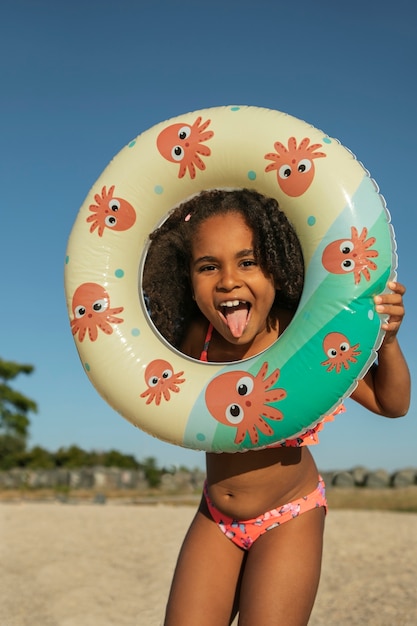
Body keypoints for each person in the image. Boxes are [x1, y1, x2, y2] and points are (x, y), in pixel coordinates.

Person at [143, 188, 410, 626]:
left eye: (248, 262)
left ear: (277, 269)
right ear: (188, 281)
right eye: (208, 267)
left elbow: (390, 402)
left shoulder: (300, 335)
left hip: (290, 515)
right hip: (216, 514)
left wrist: (390, 341)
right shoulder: (195, 342)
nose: (228, 280)